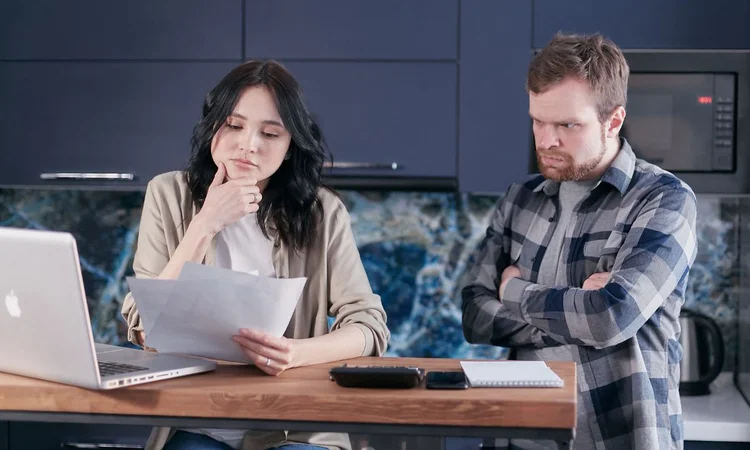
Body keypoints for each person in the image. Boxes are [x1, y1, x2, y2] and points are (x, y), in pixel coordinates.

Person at [121, 60, 390, 450]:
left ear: (290, 146)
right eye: (234, 125)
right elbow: (146, 326)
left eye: (270, 133)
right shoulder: (168, 194)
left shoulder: (322, 212)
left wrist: (296, 353)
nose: (249, 144)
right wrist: (205, 224)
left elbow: (369, 327)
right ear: (213, 126)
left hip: (296, 424)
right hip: (198, 419)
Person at [461, 33, 697, 450]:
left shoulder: (664, 200)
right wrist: (576, 316)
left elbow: (610, 317)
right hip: (518, 438)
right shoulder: (520, 199)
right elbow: (475, 316)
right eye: (538, 121)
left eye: (567, 125)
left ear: (613, 121)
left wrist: (513, 291)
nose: (546, 140)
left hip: (621, 439)